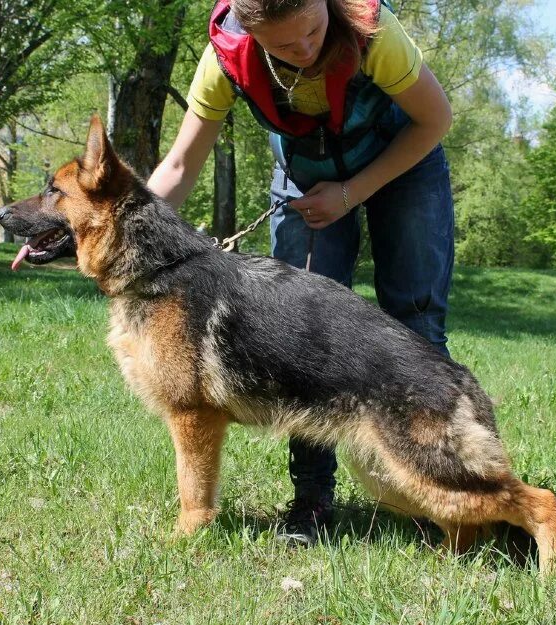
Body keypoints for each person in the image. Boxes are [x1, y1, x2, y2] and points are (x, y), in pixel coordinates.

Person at [147, 0, 455, 546]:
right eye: (285, 47)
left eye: (313, 31)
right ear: (252, 33)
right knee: (298, 339)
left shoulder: (372, 32)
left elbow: (436, 119)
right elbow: (177, 167)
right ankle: (312, 500)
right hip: (305, 175)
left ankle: (443, 494)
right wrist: (128, 230)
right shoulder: (224, 59)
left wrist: (352, 193)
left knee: (416, 320)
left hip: (405, 161)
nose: (306, 49)